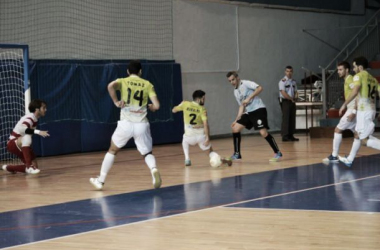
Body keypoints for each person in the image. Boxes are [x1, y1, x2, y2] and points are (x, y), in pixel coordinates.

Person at [90, 60, 162, 190]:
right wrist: (151, 107)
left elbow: (110, 86)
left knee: (112, 150)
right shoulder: (147, 84)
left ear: (128, 71)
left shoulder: (123, 81)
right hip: (141, 124)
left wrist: (116, 101)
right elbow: (157, 105)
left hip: (126, 124)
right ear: (140, 71)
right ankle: (154, 170)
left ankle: (100, 181)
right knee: (147, 153)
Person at [226, 71, 283, 162]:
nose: (232, 82)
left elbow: (260, 88)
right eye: (229, 81)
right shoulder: (235, 92)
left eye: (233, 79)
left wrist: (249, 98)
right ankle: (237, 154)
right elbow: (241, 105)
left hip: (258, 109)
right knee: (235, 128)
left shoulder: (246, 83)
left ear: (237, 78)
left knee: (263, 133)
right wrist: (236, 119)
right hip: (249, 112)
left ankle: (277, 152)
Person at [172, 90, 232, 167]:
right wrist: (207, 138)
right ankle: (220, 159)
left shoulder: (185, 104)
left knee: (184, 140)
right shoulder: (202, 109)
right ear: (198, 99)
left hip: (189, 137)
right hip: (201, 137)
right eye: (203, 98)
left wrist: (180, 104)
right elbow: (206, 124)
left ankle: (187, 159)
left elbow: (173, 110)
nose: (204, 100)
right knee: (210, 152)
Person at [338, 56, 380, 167]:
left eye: (354, 66)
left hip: (364, 111)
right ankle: (350, 159)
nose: (353, 69)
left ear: (360, 67)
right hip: (370, 109)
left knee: (364, 140)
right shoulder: (374, 79)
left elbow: (355, 91)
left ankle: (350, 159)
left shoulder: (358, 76)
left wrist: (344, 104)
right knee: (357, 134)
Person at [2, 99, 50, 175]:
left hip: (21, 143)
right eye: (43, 108)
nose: (46, 110)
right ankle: (29, 166)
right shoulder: (30, 117)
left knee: (36, 167)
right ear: (37, 109)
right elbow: (22, 129)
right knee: (27, 137)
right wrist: (39, 132)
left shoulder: (35, 119)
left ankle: (9, 168)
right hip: (13, 143)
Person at [323, 61, 355, 162]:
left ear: (347, 70)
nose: (338, 72)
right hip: (353, 110)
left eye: (341, 69)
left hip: (352, 110)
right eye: (338, 70)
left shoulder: (350, 80)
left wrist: (353, 111)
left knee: (337, 130)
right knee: (362, 137)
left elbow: (357, 94)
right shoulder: (347, 80)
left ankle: (334, 155)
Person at [279, 66, 299, 141]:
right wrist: (291, 98)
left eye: (290, 71)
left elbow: (296, 91)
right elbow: (283, 92)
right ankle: (285, 136)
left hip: (292, 101)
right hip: (285, 101)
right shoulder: (282, 81)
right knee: (286, 118)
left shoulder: (293, 81)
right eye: (287, 71)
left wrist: (296, 97)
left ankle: (291, 135)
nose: (289, 73)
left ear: (292, 72)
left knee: (292, 118)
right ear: (285, 72)